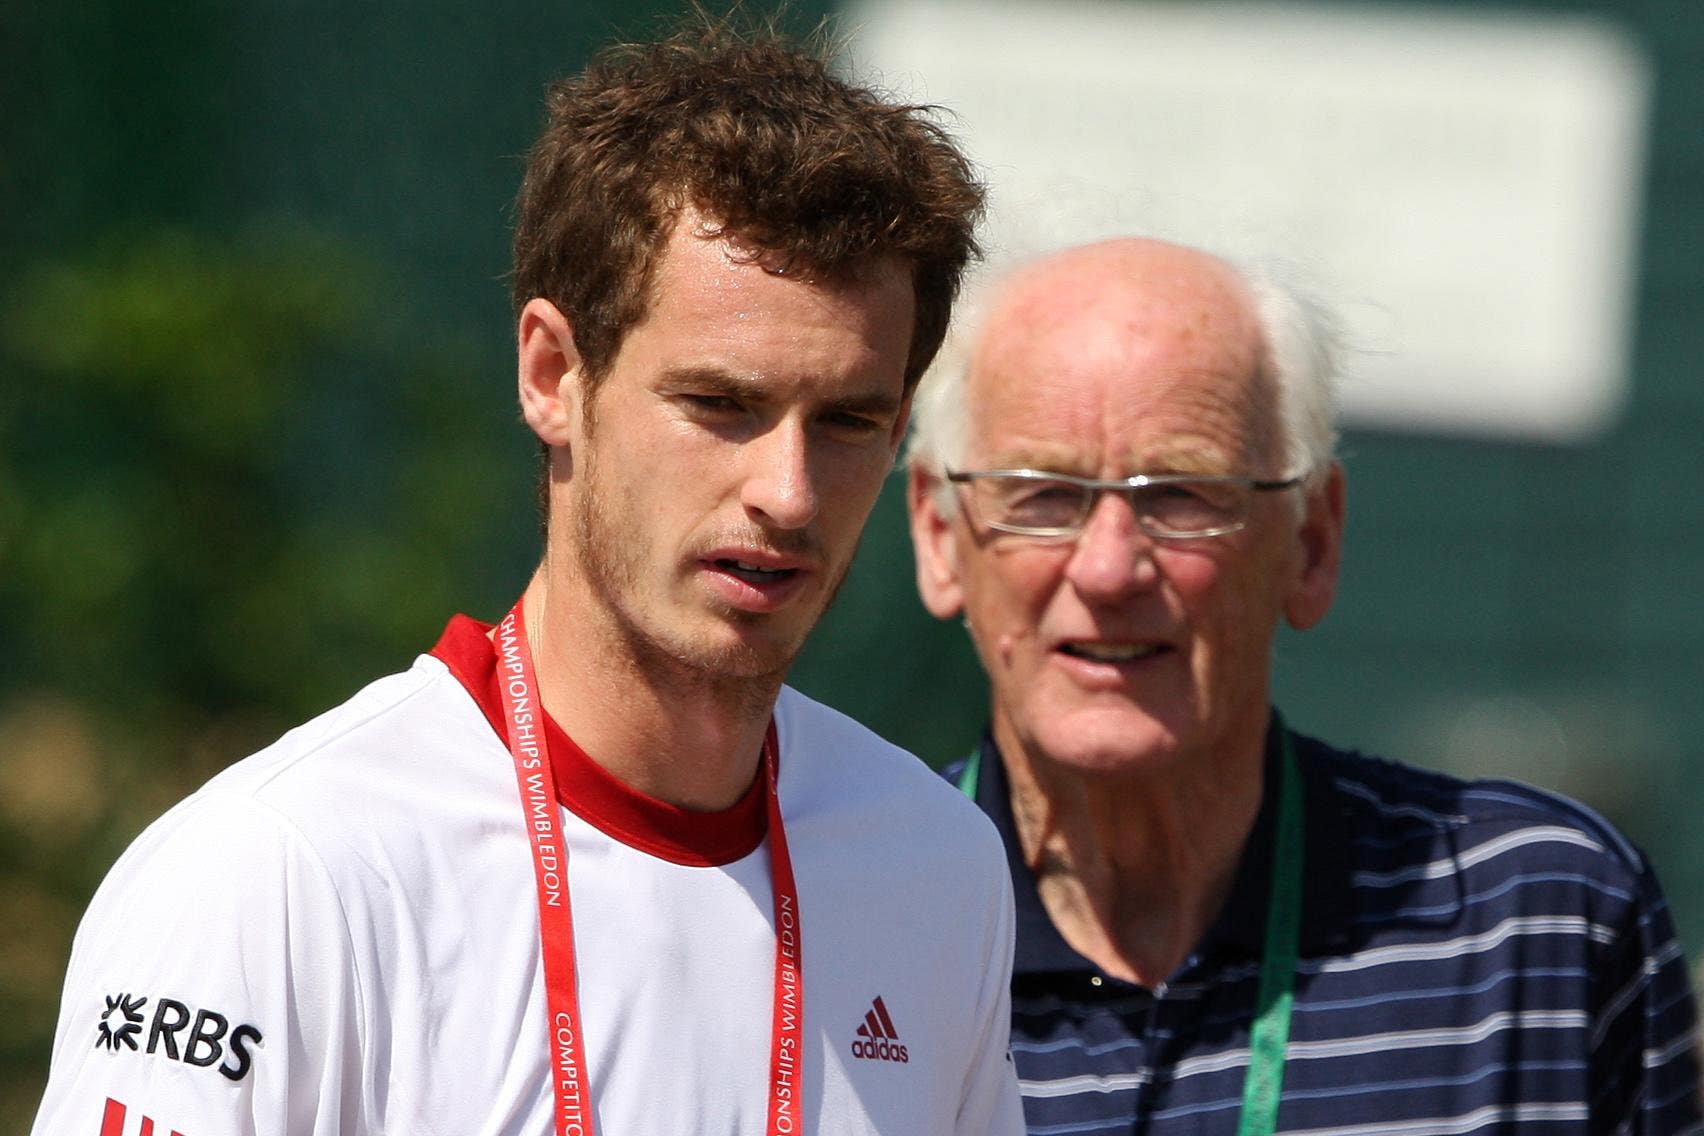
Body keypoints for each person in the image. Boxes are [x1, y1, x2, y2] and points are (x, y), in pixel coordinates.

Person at [33, 23, 1025, 1136]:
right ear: (553, 375)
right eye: (719, 405)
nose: (787, 492)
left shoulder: (936, 863)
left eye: (849, 420)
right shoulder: (279, 872)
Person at [905, 236, 1703, 1134]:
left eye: (1182, 494)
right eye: (1043, 494)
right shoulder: (838, 925)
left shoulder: (1537, 935)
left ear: (1312, 543)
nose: (1109, 567)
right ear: (939, 535)